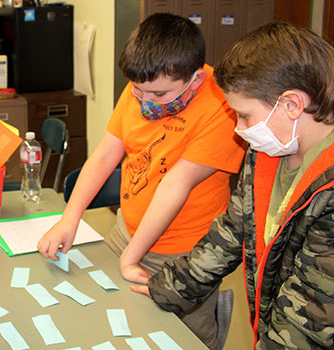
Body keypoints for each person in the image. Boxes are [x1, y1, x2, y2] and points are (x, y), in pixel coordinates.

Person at [38, 13, 246, 349]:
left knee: (183, 338)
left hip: (184, 253)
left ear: (193, 81)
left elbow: (175, 186)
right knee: (115, 325)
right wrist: (69, 219)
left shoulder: (220, 106)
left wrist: (131, 258)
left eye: (159, 95)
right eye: (138, 91)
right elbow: (105, 156)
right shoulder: (145, 83)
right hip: (127, 230)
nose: (144, 102)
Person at [131, 22, 334, 350]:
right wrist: (168, 288)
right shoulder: (269, 152)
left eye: (244, 115)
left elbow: (311, 313)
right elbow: (231, 231)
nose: (239, 130)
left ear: (292, 105)